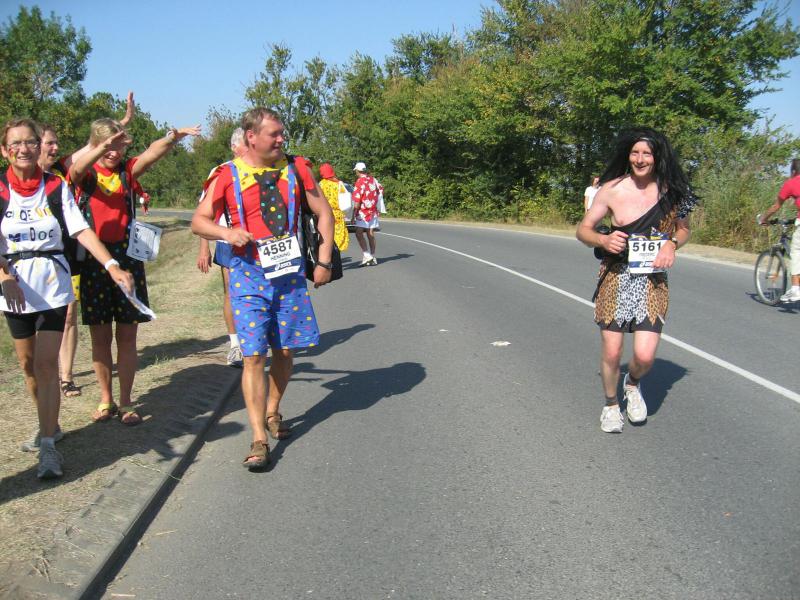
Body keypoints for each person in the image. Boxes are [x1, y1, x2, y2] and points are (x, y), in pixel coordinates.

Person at [191, 107, 335, 470]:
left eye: (282, 133)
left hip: (288, 275)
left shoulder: (297, 169)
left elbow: (324, 213)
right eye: (274, 134)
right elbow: (199, 221)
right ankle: (258, 438)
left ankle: (273, 410)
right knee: (253, 356)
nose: (281, 139)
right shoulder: (227, 175)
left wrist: (323, 261)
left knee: (284, 352)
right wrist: (225, 233)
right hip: (247, 275)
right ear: (251, 137)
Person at [0, 118, 134, 478]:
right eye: (16, 143)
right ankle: (51, 423)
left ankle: (47, 447)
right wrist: (4, 276)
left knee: (46, 366)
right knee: (28, 365)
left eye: (30, 142)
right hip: (14, 288)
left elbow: (81, 229)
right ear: (5, 151)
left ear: (37, 146)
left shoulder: (55, 187)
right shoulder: (0, 189)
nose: (24, 149)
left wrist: (111, 265)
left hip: (52, 285)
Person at [71, 118, 200, 426]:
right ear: (96, 144)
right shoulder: (86, 175)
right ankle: (106, 400)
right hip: (95, 261)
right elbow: (74, 170)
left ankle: (127, 402)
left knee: (127, 336)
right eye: (108, 146)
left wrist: (173, 137)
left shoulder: (127, 172)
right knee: (100, 336)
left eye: (119, 146)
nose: (114, 152)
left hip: (128, 259)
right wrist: (101, 146)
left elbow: (152, 154)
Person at [576, 127, 698, 433]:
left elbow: (684, 229)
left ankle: (632, 384)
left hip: (652, 280)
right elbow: (583, 230)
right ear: (627, 155)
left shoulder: (673, 190)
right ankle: (610, 404)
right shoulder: (611, 189)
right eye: (635, 153)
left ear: (657, 157)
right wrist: (603, 240)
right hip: (616, 276)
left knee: (644, 356)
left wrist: (672, 245)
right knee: (612, 351)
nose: (640, 159)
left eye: (647, 153)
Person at [37, 94, 137, 400]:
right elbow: (94, 147)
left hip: (74, 249)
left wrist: (118, 125)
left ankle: (65, 376)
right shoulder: (21, 181)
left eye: (56, 143)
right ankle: (43, 374)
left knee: (69, 313)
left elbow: (91, 148)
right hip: (37, 255)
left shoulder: (60, 171)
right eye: (49, 143)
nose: (55, 148)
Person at [196, 127, 247, 367]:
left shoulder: (264, 168)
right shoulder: (221, 171)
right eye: (245, 144)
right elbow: (204, 215)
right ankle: (235, 345)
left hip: (258, 241)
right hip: (228, 241)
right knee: (232, 292)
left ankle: (257, 338)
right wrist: (204, 247)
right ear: (234, 147)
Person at [758, 158, 800, 302]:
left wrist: (763, 218)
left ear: (793, 171)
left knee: (796, 251)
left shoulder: (791, 183)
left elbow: (776, 206)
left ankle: (795, 289)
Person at [350, 161, 383, 266]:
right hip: (373, 211)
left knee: (358, 233)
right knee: (370, 233)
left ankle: (367, 255)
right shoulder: (373, 180)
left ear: (357, 171)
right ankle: (372, 256)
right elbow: (380, 191)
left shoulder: (359, 182)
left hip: (363, 212)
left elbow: (357, 200)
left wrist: (353, 215)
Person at [318, 162, 350, 252]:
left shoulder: (321, 184)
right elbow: (345, 200)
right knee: (338, 236)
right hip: (337, 214)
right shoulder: (339, 184)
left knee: (326, 236)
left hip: (325, 213)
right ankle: (336, 254)